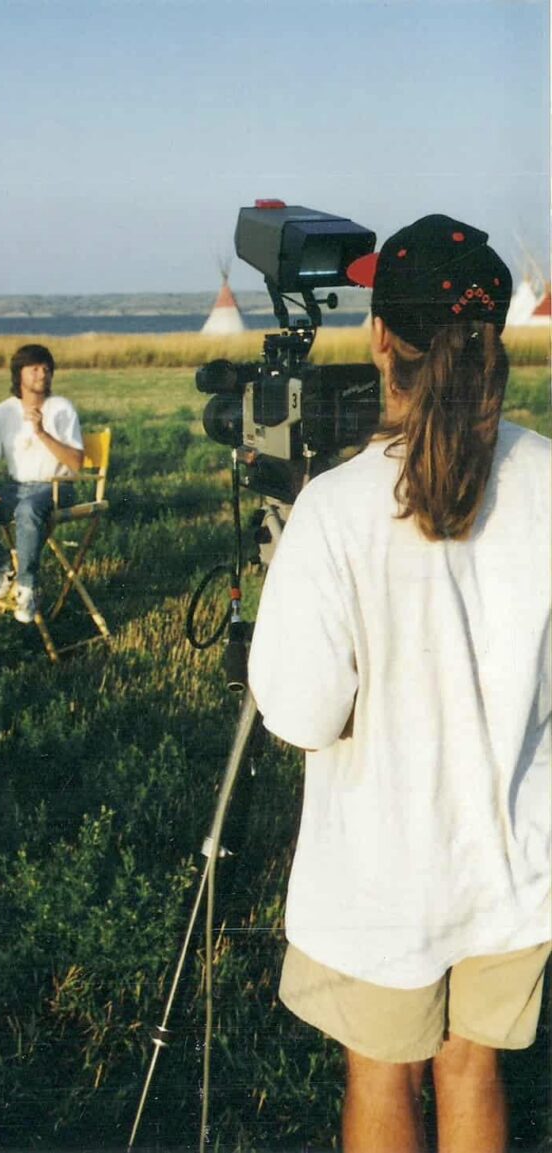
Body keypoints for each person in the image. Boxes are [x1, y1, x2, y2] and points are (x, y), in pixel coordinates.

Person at [248, 214, 551, 1153]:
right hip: (513, 866)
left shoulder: (336, 510)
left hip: (381, 881)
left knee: (382, 1074)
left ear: (382, 337)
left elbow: (298, 715)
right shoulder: (545, 475)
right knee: (474, 1065)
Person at [0, 343, 84, 624]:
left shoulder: (61, 408)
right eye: (34, 368)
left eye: (47, 369)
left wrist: (42, 432)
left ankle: (28, 587)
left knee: (27, 510)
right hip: (15, 489)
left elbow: (76, 463)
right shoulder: (4, 412)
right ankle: (3, 566)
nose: (42, 374)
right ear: (18, 374)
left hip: (57, 487)